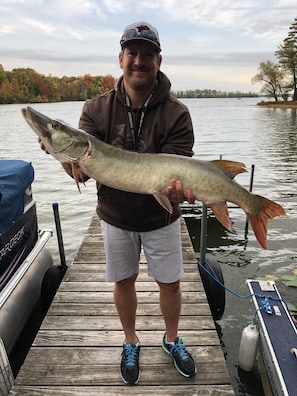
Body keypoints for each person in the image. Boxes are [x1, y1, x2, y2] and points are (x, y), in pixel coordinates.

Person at [40, 21, 197, 385]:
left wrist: (177, 190)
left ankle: (172, 339)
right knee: (123, 281)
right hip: (114, 218)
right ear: (121, 58)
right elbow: (82, 172)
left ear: (158, 61)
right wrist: (60, 153)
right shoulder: (95, 110)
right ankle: (130, 341)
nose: (138, 61)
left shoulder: (177, 113)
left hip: (162, 219)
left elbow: (175, 170)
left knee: (170, 283)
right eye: (132, 53)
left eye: (147, 55)